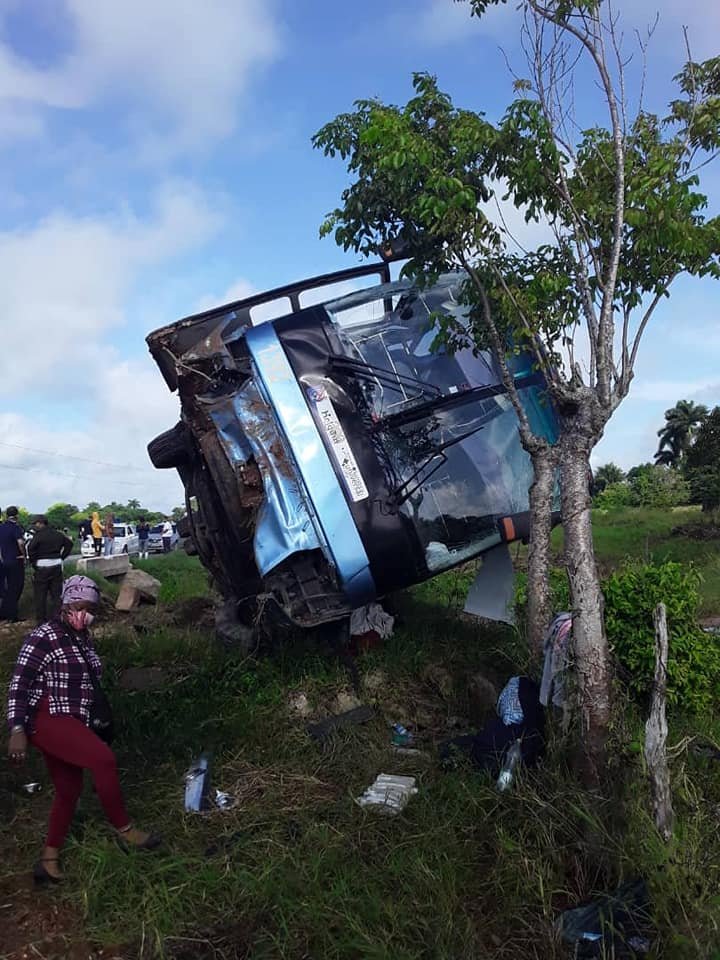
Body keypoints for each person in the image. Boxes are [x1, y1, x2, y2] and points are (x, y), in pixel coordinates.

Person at [6, 575, 160, 883]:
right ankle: (125, 830)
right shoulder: (44, 636)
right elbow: (20, 683)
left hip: (72, 720)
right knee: (103, 760)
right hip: (48, 716)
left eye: (90, 608)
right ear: (65, 604)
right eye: (78, 606)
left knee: (69, 790)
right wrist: (16, 728)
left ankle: (48, 860)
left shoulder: (82, 638)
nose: (84, 613)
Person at [27, 517, 73, 623]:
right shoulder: (58, 534)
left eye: (35, 524)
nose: (34, 526)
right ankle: (57, 619)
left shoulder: (38, 536)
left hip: (42, 566)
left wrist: (34, 563)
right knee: (56, 595)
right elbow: (69, 544)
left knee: (40, 595)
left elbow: (31, 549)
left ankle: (41, 621)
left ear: (41, 523)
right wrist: (62, 557)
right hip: (56, 564)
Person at [0, 507, 27, 622]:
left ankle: (3, 613)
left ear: (6, 515)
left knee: (5, 588)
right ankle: (12, 615)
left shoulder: (1, 527)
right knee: (15, 587)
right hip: (15, 561)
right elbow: (20, 543)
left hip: (3, 561)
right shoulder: (16, 528)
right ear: (17, 515)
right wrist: (24, 555)